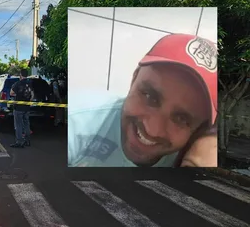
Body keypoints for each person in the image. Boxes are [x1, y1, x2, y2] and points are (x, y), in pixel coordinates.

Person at [68, 34, 217, 167]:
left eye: (181, 119)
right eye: (149, 96)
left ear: (199, 129)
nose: (153, 130)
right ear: (134, 80)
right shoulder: (75, 123)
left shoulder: (196, 155)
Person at [10, 69, 34, 148]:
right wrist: (29, 101)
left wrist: (18, 95)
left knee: (18, 125)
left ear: (20, 75)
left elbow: (11, 93)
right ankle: (27, 141)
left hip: (18, 108)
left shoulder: (17, 83)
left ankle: (19, 142)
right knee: (27, 124)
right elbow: (32, 95)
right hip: (27, 107)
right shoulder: (30, 83)